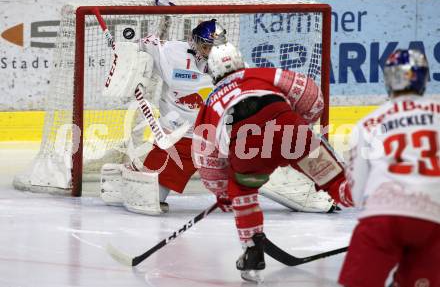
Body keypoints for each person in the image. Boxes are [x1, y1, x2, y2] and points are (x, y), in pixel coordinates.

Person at [100, 17, 337, 215]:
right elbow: (134, 49)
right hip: (181, 139)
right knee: (146, 198)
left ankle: (322, 192)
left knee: (275, 172)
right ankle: (124, 178)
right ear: (194, 42)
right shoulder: (170, 52)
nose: (211, 51)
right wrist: (128, 61)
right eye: (206, 46)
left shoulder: (234, 63)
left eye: (217, 45)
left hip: (224, 138)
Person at [192, 42, 353, 281]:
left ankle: (252, 251)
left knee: (242, 188)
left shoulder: (211, 102)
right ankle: (383, 210)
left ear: (213, 72)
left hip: (247, 147)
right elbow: (312, 96)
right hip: (288, 127)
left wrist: (223, 192)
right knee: (336, 181)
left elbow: (206, 157)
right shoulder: (261, 74)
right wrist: (299, 128)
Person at [338, 49, 440, 287]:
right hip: (433, 217)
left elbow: (357, 190)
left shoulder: (369, 122)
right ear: (423, 78)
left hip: (383, 217)